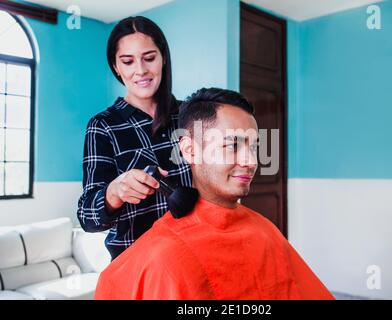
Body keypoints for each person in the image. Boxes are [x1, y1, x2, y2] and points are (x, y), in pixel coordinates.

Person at [95, 88, 334, 300]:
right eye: (232, 146)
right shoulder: (162, 256)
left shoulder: (265, 232)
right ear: (190, 150)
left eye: (253, 147)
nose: (251, 161)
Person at [77, 16, 191, 260]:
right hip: (136, 267)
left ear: (163, 59)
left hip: (193, 257)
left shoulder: (190, 116)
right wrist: (115, 192)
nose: (140, 70)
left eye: (149, 58)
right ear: (116, 67)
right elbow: (87, 218)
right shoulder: (103, 126)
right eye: (128, 61)